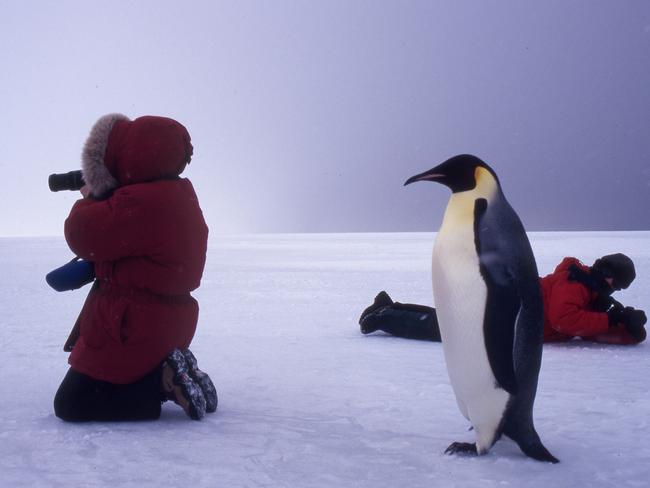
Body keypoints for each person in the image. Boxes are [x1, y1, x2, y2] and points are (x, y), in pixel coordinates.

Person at [53, 113, 218, 422]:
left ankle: (164, 378)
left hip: (133, 325)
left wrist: (90, 198)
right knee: (92, 389)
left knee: (72, 404)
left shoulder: (138, 203)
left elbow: (81, 235)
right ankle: (166, 369)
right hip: (165, 320)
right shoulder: (178, 194)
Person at [359, 254, 646, 346]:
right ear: (607, 274)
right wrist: (612, 319)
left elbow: (587, 330)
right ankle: (380, 317)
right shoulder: (574, 284)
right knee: (444, 329)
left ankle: (389, 307)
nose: (615, 291)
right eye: (617, 284)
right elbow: (565, 320)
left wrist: (628, 330)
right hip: (505, 317)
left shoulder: (588, 290)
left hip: (506, 314)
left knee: (446, 321)